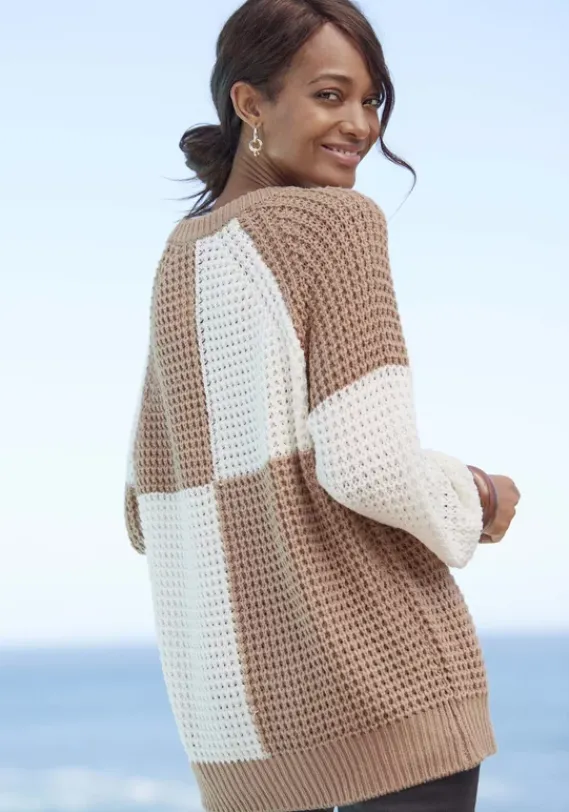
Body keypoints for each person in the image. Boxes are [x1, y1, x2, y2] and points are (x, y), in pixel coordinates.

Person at [124, 1, 521, 811]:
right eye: (330, 95)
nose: (360, 125)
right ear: (249, 103)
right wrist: (475, 495)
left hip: (246, 728)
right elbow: (370, 467)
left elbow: (145, 511)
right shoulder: (334, 225)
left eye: (370, 101)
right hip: (387, 691)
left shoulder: (183, 259)